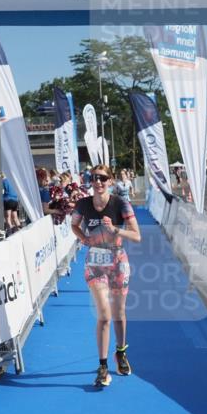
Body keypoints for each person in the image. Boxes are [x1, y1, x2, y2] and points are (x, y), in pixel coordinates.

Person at [71, 164, 142, 388]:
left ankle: (120, 352)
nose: (98, 182)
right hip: (95, 263)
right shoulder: (83, 204)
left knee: (119, 313)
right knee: (104, 315)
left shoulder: (120, 203)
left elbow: (137, 236)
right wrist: (84, 239)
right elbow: (74, 225)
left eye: (102, 178)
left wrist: (115, 230)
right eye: (94, 178)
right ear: (90, 181)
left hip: (117, 261)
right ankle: (102, 367)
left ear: (110, 181)